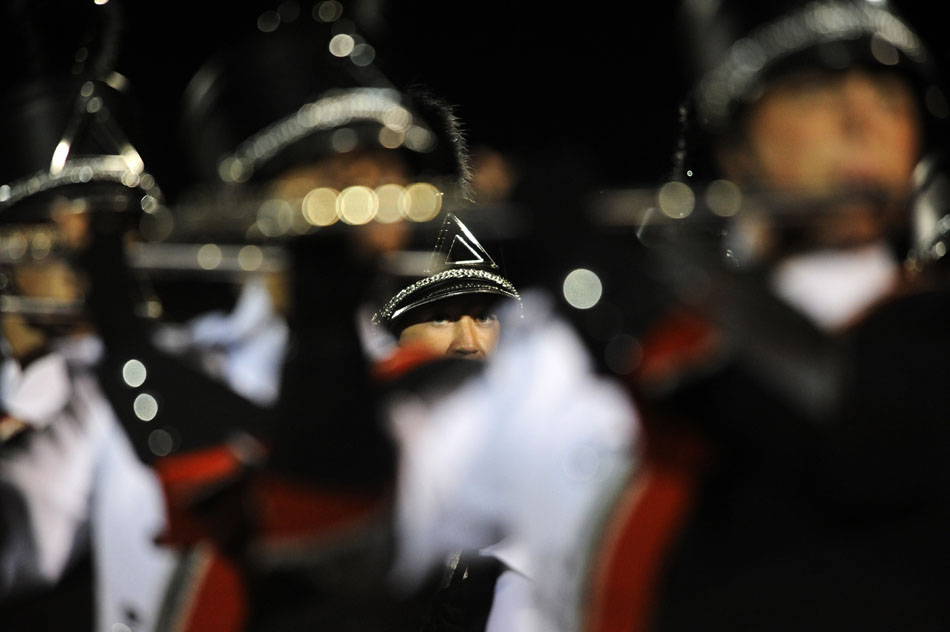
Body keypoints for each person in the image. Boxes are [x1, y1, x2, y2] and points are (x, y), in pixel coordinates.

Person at [580, 1, 950, 631]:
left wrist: (682, 290)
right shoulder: (678, 336)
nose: (862, 118)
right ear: (736, 150)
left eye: (890, 98)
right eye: (813, 91)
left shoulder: (928, 329)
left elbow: (855, 426)